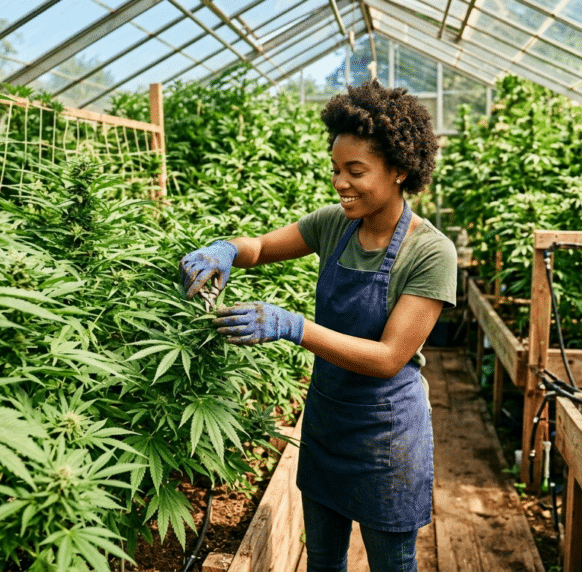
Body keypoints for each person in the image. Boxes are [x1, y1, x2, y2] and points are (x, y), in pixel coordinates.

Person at [179, 80, 457, 572]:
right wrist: (223, 249)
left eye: (356, 171)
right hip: (328, 423)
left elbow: (389, 357)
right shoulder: (334, 223)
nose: (340, 183)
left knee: (392, 563)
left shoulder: (431, 252)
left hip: (385, 436)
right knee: (324, 560)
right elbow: (262, 247)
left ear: (399, 171)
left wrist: (293, 326)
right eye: (335, 169)